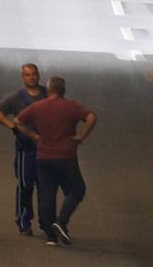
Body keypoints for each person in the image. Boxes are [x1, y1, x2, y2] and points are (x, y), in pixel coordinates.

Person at [15, 76, 98, 247]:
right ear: (63, 90)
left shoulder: (37, 107)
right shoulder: (71, 106)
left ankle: (50, 235)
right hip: (66, 156)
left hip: (43, 156)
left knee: (47, 194)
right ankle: (61, 221)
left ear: (49, 89)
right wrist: (80, 136)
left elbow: (18, 121)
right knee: (77, 190)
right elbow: (91, 117)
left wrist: (33, 136)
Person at [0, 63, 49, 236]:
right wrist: (12, 126)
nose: (32, 77)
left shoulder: (48, 94)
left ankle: (46, 222)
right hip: (26, 149)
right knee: (25, 186)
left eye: (34, 74)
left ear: (38, 75)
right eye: (28, 75)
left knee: (45, 187)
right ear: (23, 77)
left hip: (46, 148)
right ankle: (24, 221)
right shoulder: (16, 97)